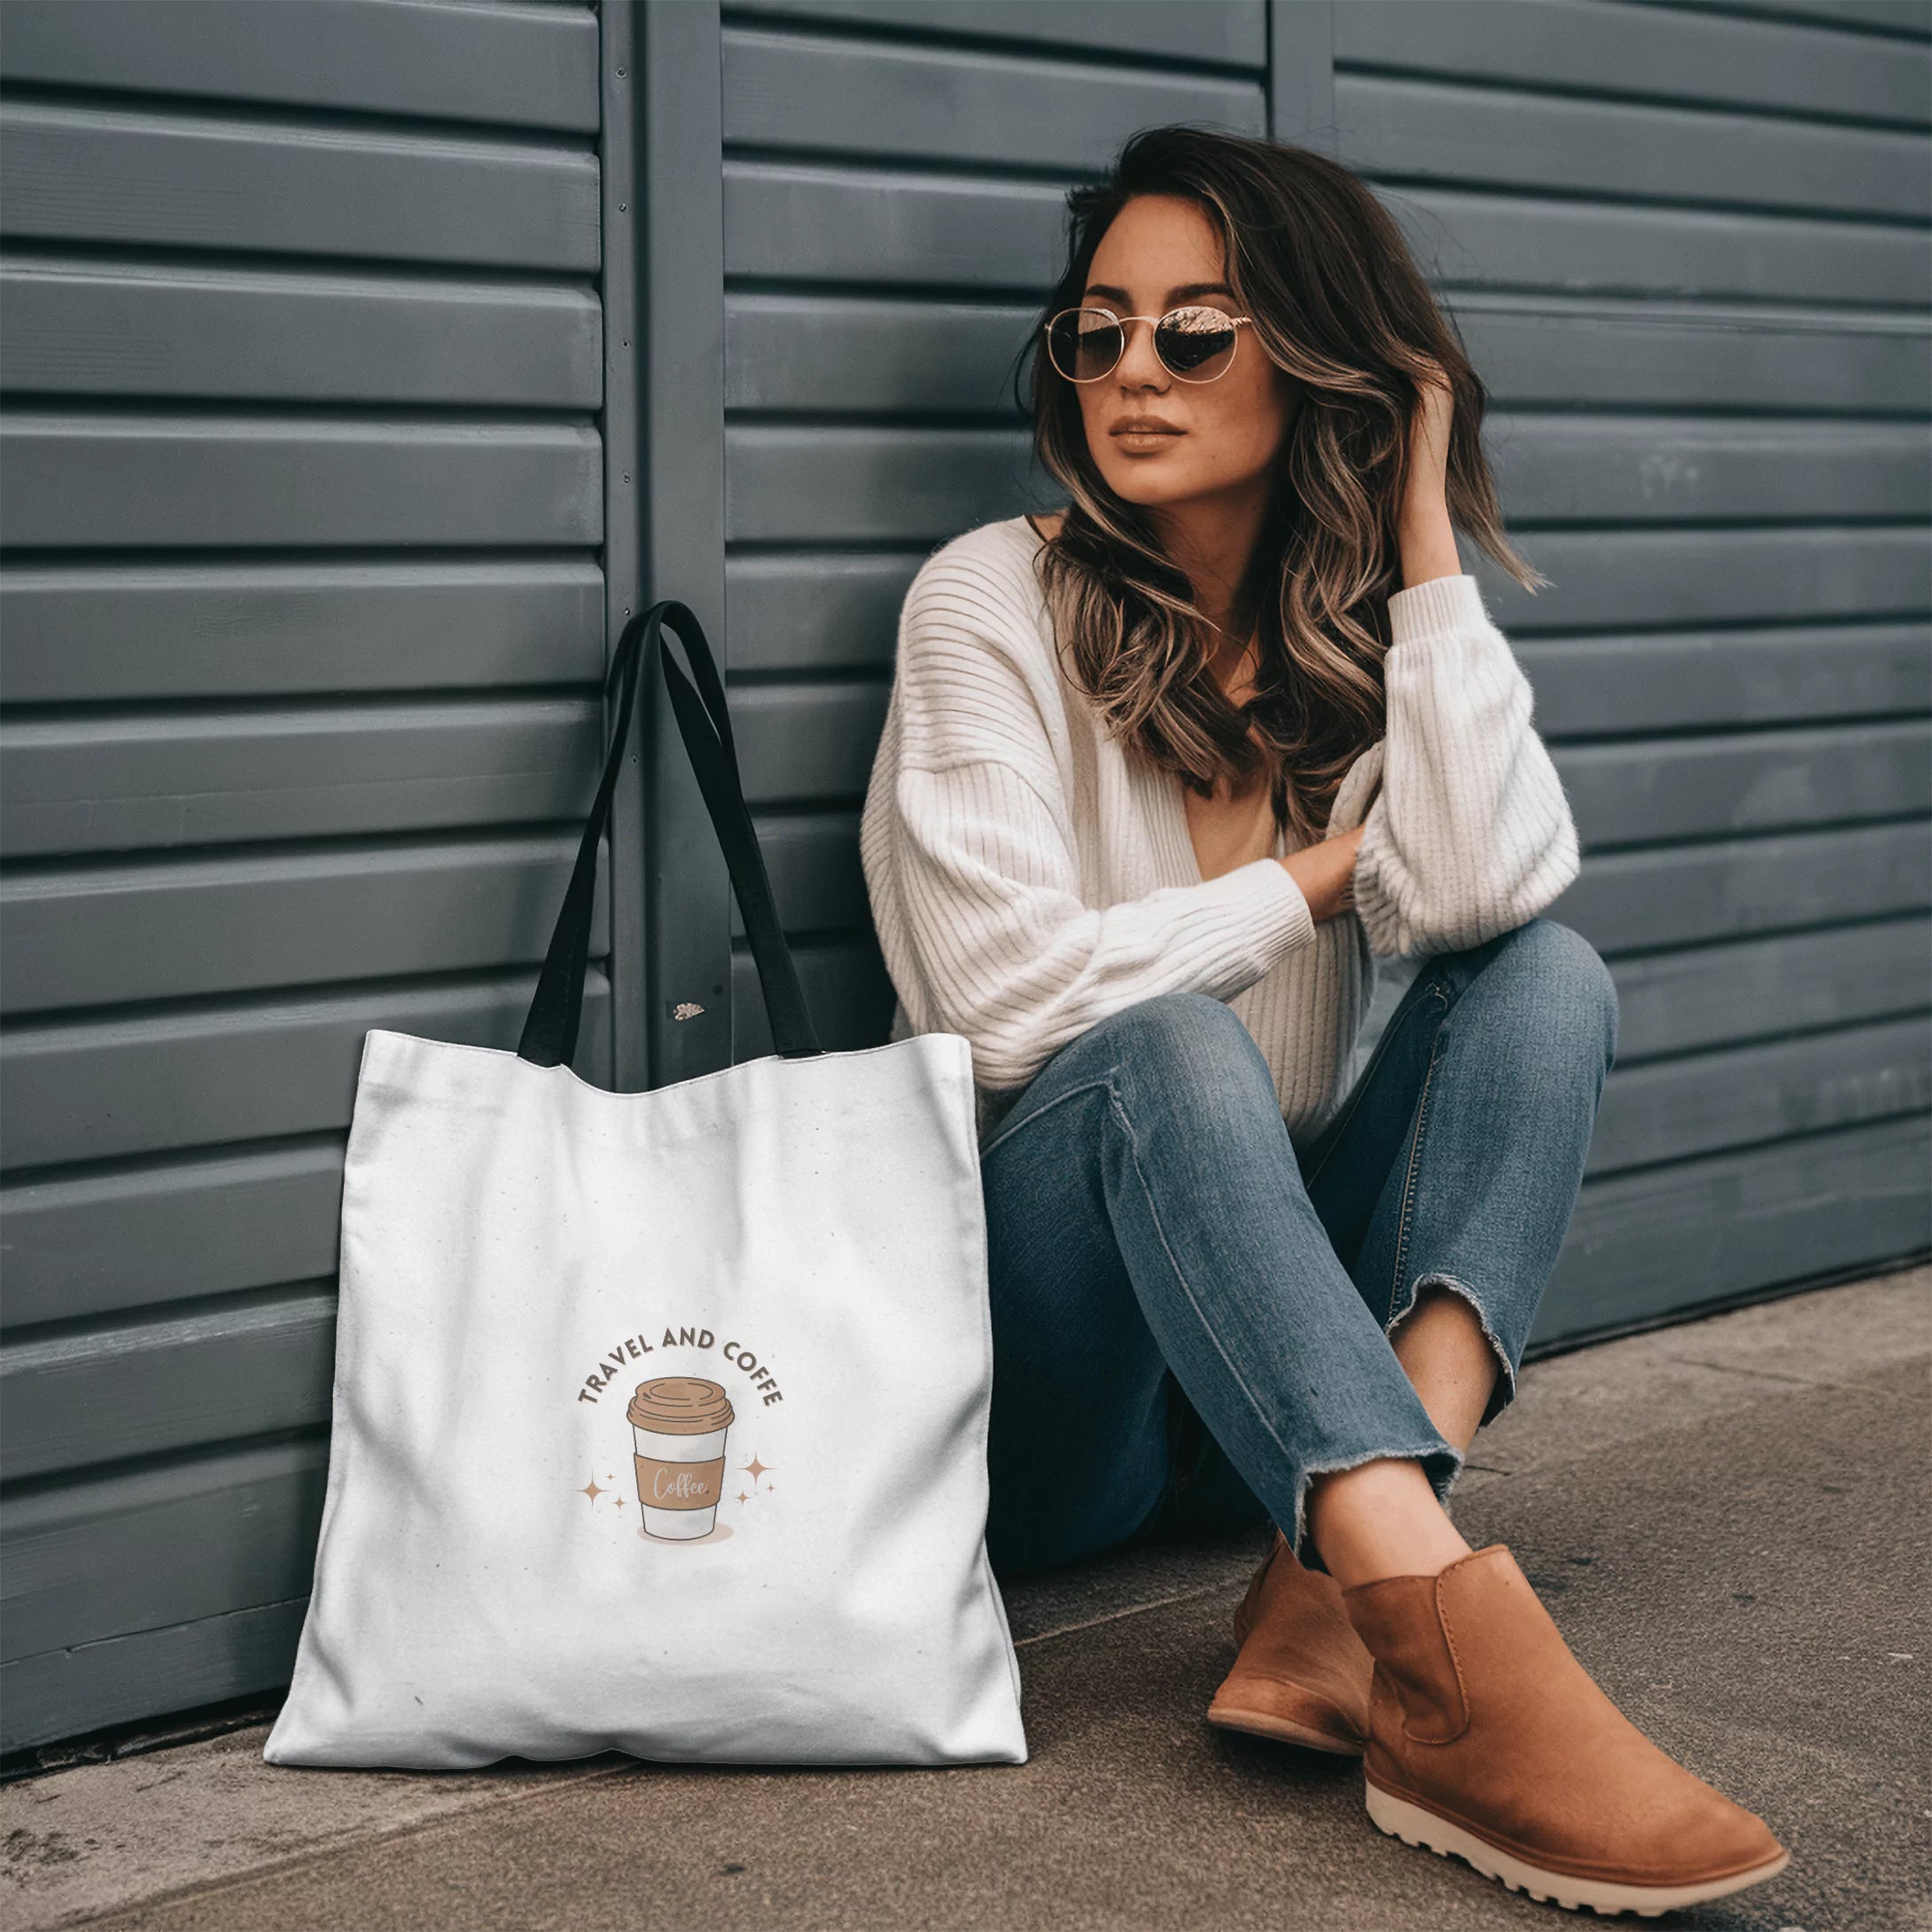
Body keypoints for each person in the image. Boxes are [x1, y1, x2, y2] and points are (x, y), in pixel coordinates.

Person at [858, 126, 1789, 1915]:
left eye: (1194, 334)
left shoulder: (1364, 646)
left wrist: (1422, 532)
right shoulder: (990, 597)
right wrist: (1301, 882)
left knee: (1548, 977)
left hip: (1262, 1410)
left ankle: (1341, 1579)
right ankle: (1445, 1650)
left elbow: (1501, 883)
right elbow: (995, 1006)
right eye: (1098, 331)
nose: (1129, 371)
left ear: (1314, 360)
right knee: (1162, 1047)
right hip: (1051, 1412)